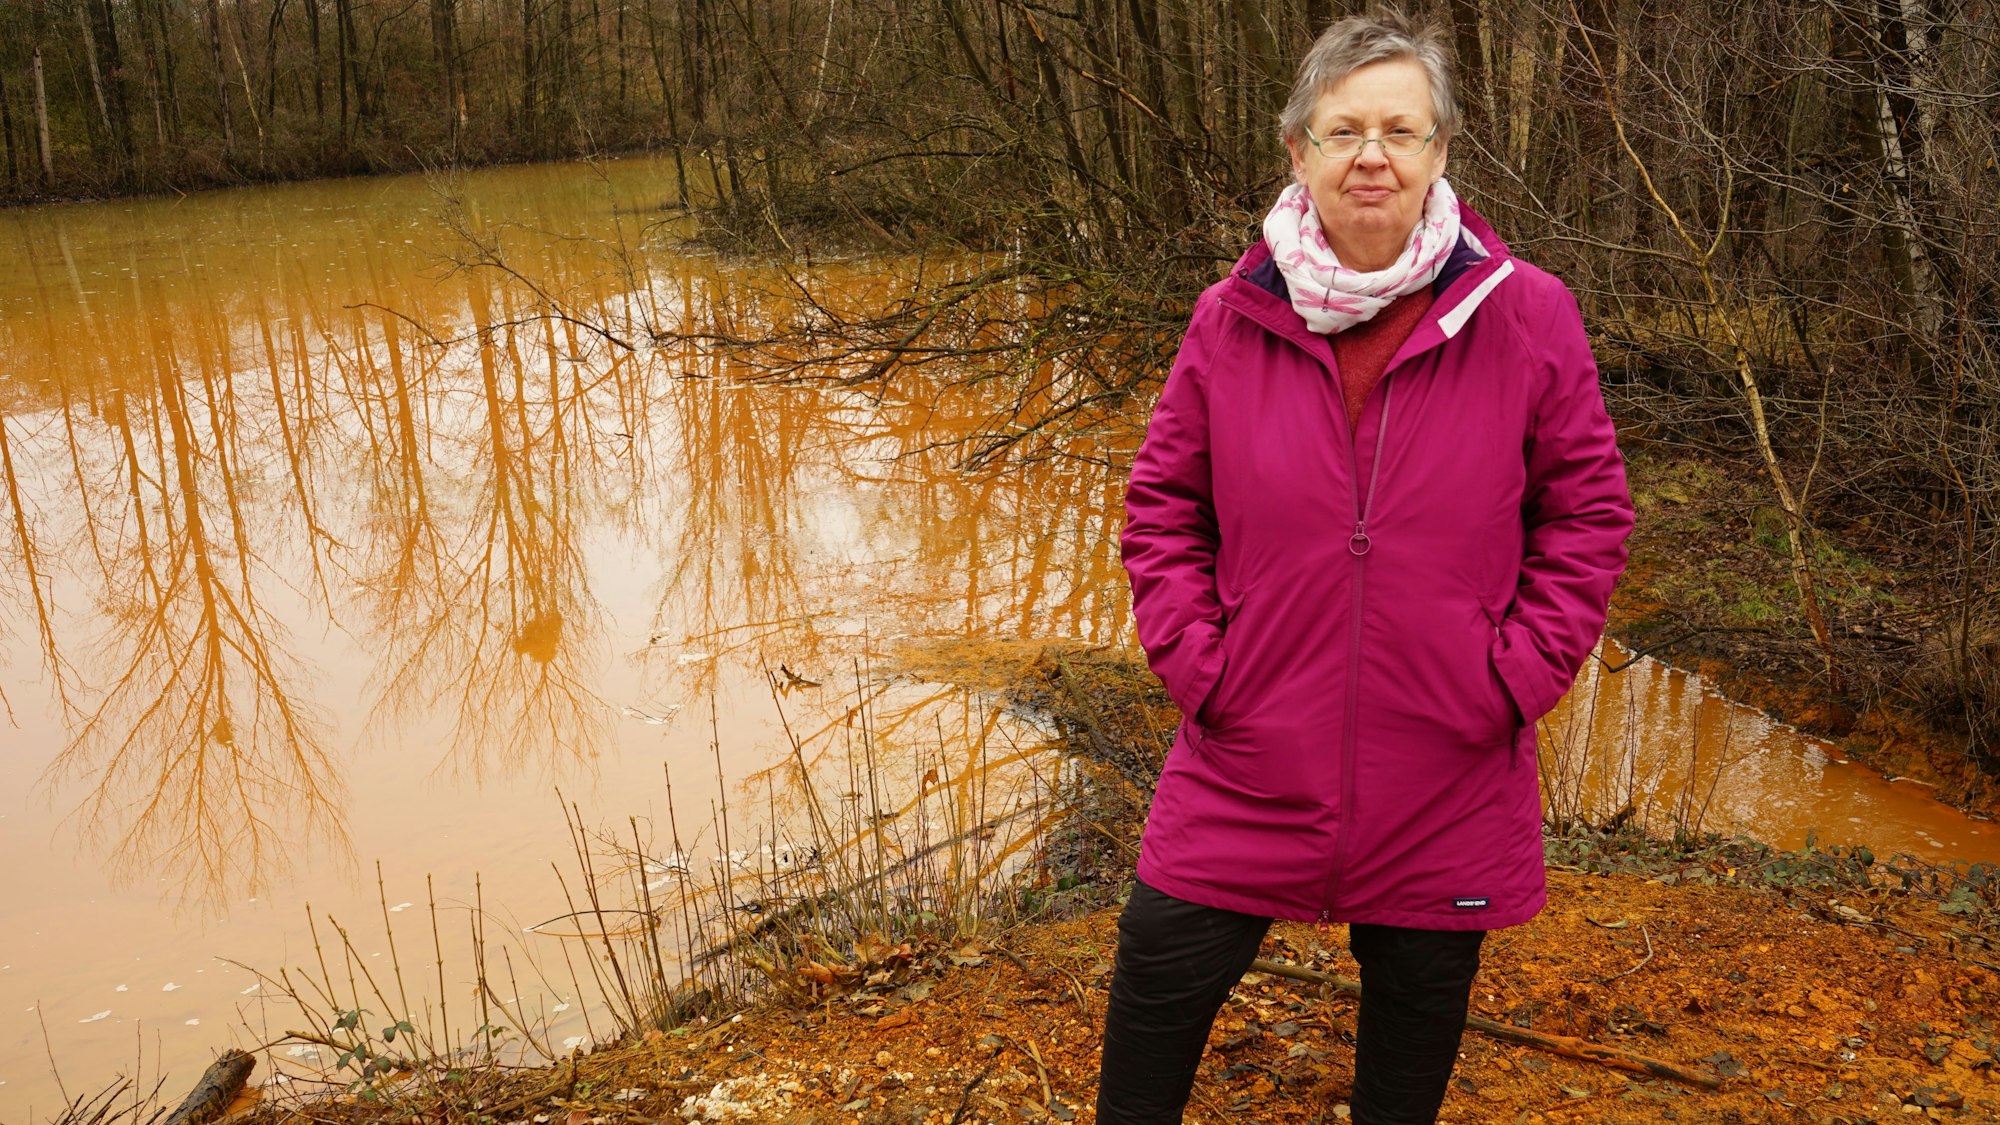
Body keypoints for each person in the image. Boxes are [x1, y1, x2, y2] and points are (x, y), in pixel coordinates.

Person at [1100, 9, 1634, 1125]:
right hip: (1249, 742)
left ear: (1439, 152)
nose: (1371, 156)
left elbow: (1584, 515)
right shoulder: (1228, 317)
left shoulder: (1526, 313)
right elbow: (1160, 507)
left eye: (1400, 129)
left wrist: (1509, 680)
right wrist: (1206, 667)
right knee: (1157, 974)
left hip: (1445, 750)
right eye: (1343, 130)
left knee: (1417, 1013)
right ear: (1297, 150)